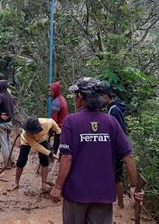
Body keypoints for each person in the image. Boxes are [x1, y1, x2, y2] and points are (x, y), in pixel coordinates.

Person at [50, 77, 143, 224]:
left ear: (80, 96)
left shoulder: (71, 121)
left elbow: (66, 158)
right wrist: (133, 186)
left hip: (76, 193)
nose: (74, 99)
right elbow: (128, 156)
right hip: (103, 193)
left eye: (75, 95)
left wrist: (58, 186)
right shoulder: (111, 122)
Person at [8, 116, 60, 193]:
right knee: (21, 161)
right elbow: (36, 146)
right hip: (26, 141)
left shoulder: (47, 123)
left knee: (44, 161)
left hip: (41, 139)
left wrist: (57, 143)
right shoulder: (26, 134)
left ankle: (44, 185)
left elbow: (57, 130)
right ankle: (16, 183)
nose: (32, 133)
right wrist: (50, 154)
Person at [101, 84, 128, 209]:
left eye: (101, 95)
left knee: (117, 177)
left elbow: (119, 130)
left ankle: (121, 204)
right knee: (114, 175)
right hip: (114, 148)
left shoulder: (114, 110)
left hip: (116, 149)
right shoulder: (112, 108)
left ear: (106, 96)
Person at [0, 80, 14, 169]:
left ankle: (6, 164)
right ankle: (12, 161)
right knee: (8, 142)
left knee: (4, 144)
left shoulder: (0, 96)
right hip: (9, 122)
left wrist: (0, 114)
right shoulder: (9, 96)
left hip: (1, 123)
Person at [49, 82, 69, 154]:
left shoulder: (56, 102)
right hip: (65, 126)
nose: (49, 93)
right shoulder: (63, 99)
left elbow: (53, 120)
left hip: (59, 127)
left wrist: (50, 131)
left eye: (51, 91)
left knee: (56, 147)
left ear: (55, 91)